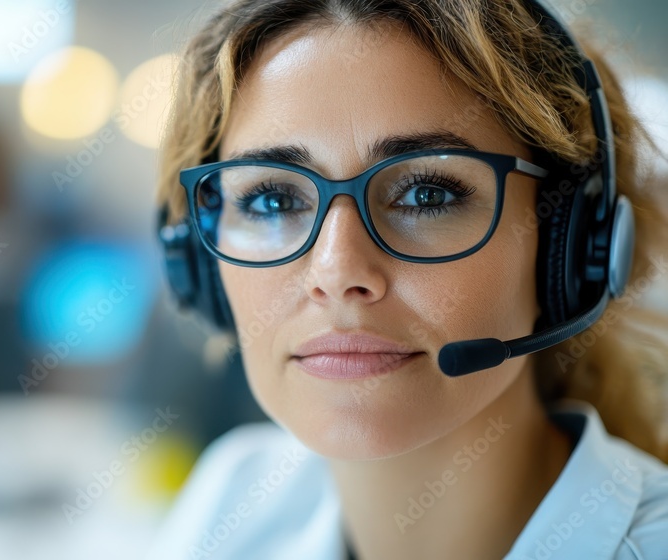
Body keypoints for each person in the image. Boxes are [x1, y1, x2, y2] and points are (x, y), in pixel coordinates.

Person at [148, 0, 668, 558]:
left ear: (572, 246)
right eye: (272, 200)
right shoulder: (234, 502)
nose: (338, 272)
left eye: (427, 195)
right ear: (199, 264)